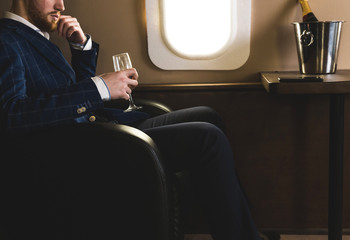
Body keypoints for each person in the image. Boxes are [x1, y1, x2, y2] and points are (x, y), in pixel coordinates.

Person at [0, 0, 261, 240]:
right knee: (207, 137)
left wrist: (81, 49)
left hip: (102, 128)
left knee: (208, 115)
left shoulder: (34, 36)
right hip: (84, 148)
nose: (61, 4)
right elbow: (11, 113)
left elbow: (73, 98)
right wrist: (99, 87)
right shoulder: (6, 39)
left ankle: (239, 226)